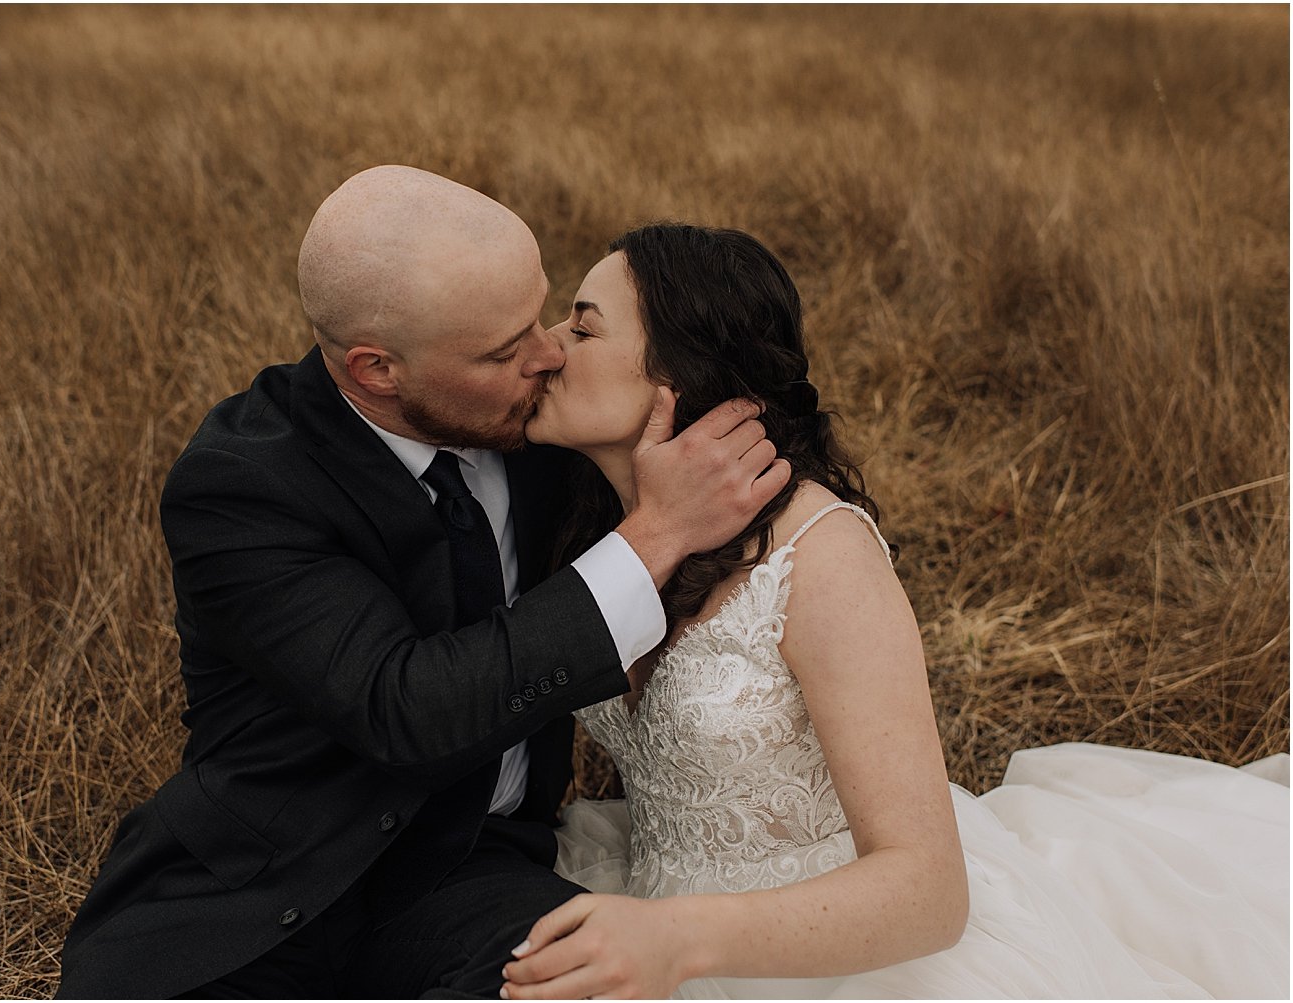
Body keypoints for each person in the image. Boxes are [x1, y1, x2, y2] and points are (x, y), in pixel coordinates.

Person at [504, 223, 1290, 1000]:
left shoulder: (818, 553)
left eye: (583, 324)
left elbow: (928, 892)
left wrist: (682, 938)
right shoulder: (591, 534)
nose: (548, 346)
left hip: (855, 954)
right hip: (649, 910)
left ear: (679, 370)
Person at [55, 172, 791, 998]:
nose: (548, 356)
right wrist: (654, 534)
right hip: (263, 880)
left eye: (540, 316)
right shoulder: (243, 480)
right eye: (503, 351)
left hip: (475, 872)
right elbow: (406, 707)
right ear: (378, 370)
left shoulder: (549, 427)